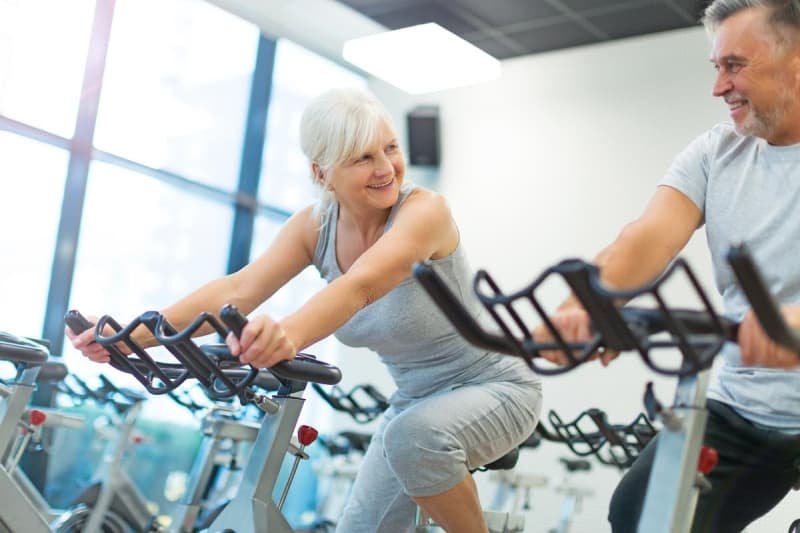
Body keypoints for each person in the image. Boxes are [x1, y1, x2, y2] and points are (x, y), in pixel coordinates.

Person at [67, 88, 542, 533]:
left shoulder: (425, 212)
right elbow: (238, 290)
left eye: (389, 149)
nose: (386, 168)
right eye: (362, 158)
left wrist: (287, 334)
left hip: (496, 387)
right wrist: (131, 336)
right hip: (413, 402)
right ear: (322, 173)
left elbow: (361, 286)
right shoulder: (314, 228)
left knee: (412, 439)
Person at [540, 1, 800, 531]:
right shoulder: (715, 153)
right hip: (745, 409)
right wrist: (583, 309)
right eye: (716, 69)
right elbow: (644, 240)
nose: (718, 87)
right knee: (642, 513)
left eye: (734, 65)